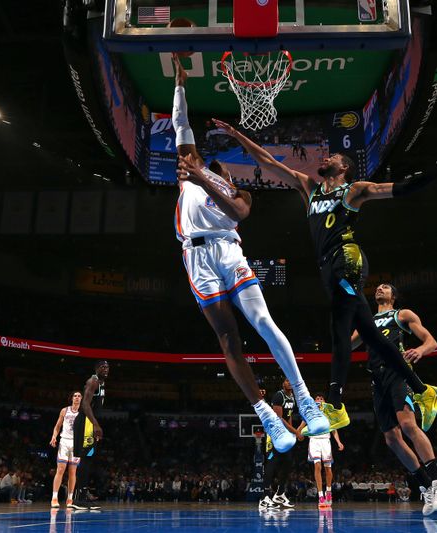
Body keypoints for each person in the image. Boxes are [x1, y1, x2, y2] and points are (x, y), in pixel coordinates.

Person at [211, 118, 437, 433]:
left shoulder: (354, 191)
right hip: (327, 266)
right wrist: (238, 136)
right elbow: (266, 161)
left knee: (339, 329)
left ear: (344, 167)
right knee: (371, 335)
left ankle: (334, 404)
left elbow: (400, 188)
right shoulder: (310, 189)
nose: (325, 158)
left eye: (331, 157)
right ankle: (424, 391)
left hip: (345, 259)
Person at [172, 55, 329, 455]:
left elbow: (238, 213)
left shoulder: (235, 190)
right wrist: (180, 82)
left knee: (262, 320)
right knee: (228, 340)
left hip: (228, 252)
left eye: (217, 168)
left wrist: (204, 178)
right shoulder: (190, 177)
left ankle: (305, 399)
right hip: (196, 258)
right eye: (208, 165)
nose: (210, 166)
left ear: (227, 175)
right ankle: (266, 415)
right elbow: (181, 124)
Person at [351, 283, 437, 515]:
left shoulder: (402, 314)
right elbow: (349, 344)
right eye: (377, 287)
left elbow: (431, 341)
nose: (380, 289)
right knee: (391, 439)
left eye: (385, 287)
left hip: (397, 374)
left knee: (408, 425)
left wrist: (420, 350)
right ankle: (426, 487)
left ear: (393, 296)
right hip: (377, 380)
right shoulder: (367, 321)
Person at [71, 361, 109, 509]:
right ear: (96, 369)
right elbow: (85, 404)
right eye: (102, 367)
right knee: (85, 460)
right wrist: (95, 424)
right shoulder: (93, 381)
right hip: (86, 423)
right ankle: (78, 499)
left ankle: (82, 495)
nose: (105, 369)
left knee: (88, 460)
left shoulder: (100, 383)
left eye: (107, 367)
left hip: (90, 423)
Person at [297, 394, 344, 509]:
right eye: (316, 399)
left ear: (324, 401)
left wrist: (338, 442)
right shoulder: (309, 413)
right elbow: (300, 427)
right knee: (317, 467)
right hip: (314, 441)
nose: (318, 400)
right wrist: (297, 434)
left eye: (321, 398)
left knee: (328, 469)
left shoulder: (328, 413)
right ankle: (320, 496)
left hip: (325, 441)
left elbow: (334, 430)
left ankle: (328, 492)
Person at [259, 378, 299, 511]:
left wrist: (293, 433)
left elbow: (289, 417)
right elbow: (280, 419)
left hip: (285, 435)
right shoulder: (278, 396)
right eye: (286, 381)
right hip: (274, 434)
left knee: (288, 462)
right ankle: (265, 498)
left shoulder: (292, 397)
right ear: (283, 383)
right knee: (271, 464)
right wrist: (296, 432)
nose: (289, 382)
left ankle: (280, 494)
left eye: (290, 380)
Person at [50, 391, 82, 508]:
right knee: (60, 469)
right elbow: (58, 426)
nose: (77, 398)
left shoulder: (83, 412)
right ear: (72, 398)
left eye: (79, 396)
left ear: (82, 398)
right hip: (64, 441)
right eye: (75, 396)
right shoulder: (64, 410)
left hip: (76, 443)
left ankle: (70, 498)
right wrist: (54, 436)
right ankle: (54, 497)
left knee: (73, 471)